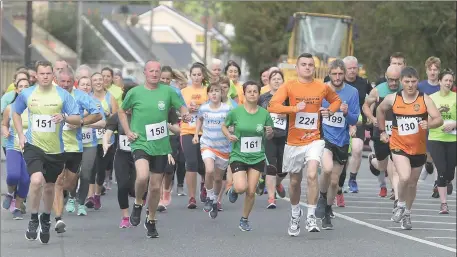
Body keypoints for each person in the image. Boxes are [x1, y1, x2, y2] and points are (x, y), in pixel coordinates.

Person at [268, 53, 342, 235]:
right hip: (294, 141)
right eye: (304, 64)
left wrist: (330, 111)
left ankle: (310, 216)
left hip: (314, 139)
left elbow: (336, 100)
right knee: (294, 182)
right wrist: (293, 108)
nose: (307, 67)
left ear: (314, 68)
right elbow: (272, 105)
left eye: (310, 65)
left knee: (311, 175)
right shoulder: (289, 85)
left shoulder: (321, 87)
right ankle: (295, 214)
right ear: (297, 68)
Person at [119, 60, 190, 238]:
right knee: (142, 176)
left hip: (160, 144)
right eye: (151, 71)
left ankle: (150, 219)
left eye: (157, 71)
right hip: (140, 142)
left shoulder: (168, 91)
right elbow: (122, 111)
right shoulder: (135, 93)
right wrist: (128, 131)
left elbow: (181, 105)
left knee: (156, 188)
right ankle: (137, 203)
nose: (155, 74)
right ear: (145, 73)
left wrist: (185, 113)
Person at [13, 61, 81, 244]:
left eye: (48, 73)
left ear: (53, 75)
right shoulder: (28, 93)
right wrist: (20, 135)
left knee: (50, 187)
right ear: (36, 75)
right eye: (41, 73)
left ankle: (45, 217)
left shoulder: (62, 95)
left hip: (55, 150)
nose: (45, 76)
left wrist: (65, 117)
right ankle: (34, 218)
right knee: (36, 180)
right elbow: (15, 112)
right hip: (33, 146)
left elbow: (78, 118)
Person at [376, 66, 443, 230]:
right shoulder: (393, 99)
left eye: (414, 81)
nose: (411, 85)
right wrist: (382, 131)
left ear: (418, 81)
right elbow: (379, 110)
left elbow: (438, 119)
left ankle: (407, 213)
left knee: (412, 184)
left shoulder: (424, 99)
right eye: (407, 82)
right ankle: (399, 204)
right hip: (398, 145)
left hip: (418, 149)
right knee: (404, 177)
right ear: (401, 82)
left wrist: (429, 124)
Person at [52, 69, 103, 233]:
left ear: (73, 81)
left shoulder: (80, 96)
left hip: (75, 146)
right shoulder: (51, 95)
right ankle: (58, 219)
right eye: (62, 81)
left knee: (70, 183)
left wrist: (81, 122)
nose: (65, 85)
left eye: (68, 82)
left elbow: (98, 115)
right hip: (55, 145)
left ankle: (68, 195)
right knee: (58, 181)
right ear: (57, 80)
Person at [223, 81, 274, 231]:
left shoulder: (264, 114)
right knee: (241, 187)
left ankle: (244, 219)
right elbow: (224, 126)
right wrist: (228, 135)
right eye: (249, 91)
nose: (252, 94)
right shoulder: (236, 112)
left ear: (259, 94)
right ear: (244, 94)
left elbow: (269, 135)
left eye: (255, 91)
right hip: (239, 155)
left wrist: (270, 133)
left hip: (257, 156)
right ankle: (233, 190)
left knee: (251, 191)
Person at [315, 59, 360, 230]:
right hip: (324, 137)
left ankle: (327, 209)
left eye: (340, 74)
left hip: (342, 140)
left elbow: (354, 119)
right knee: (326, 169)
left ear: (345, 74)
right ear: (329, 74)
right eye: (334, 74)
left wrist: (347, 113)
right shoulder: (322, 89)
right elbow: (313, 112)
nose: (338, 77)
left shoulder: (352, 92)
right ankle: (321, 197)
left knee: (335, 181)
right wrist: (321, 112)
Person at [193, 82, 233, 218]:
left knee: (218, 178)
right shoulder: (204, 108)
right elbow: (199, 119)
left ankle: (215, 200)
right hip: (207, 144)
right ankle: (209, 196)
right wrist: (195, 134)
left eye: (217, 91)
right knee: (209, 170)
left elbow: (233, 124)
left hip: (223, 147)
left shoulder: (227, 109)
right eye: (212, 91)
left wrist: (231, 131)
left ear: (222, 94)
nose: (214, 93)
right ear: (208, 94)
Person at [363, 65, 402, 201]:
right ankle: (372, 160)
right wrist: (372, 118)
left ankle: (396, 195)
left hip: (398, 134)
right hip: (380, 132)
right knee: (382, 165)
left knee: (395, 163)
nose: (393, 83)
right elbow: (365, 105)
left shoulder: (404, 89)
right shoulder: (378, 90)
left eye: (396, 80)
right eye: (391, 80)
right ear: (386, 78)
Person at [257, 70, 288, 208]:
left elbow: (296, 114)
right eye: (273, 79)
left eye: (279, 79)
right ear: (269, 82)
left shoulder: (288, 98)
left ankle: (277, 183)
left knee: (283, 169)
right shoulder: (263, 98)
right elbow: (255, 114)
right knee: (271, 167)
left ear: (283, 81)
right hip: (268, 137)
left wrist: (286, 115)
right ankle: (271, 198)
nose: (276, 81)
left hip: (285, 136)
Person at [1, 78, 31, 219]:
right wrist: (5, 130)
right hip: (13, 146)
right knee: (13, 175)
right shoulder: (10, 107)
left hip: (31, 148)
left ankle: (17, 207)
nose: (24, 88)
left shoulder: (35, 108)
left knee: (25, 180)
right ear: (17, 90)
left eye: (27, 86)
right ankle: (11, 193)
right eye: (21, 86)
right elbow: (4, 123)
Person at [427, 69, 456, 214]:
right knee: (442, 170)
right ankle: (444, 203)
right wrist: (436, 124)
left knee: (450, 172)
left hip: (453, 139)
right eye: (446, 80)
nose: (449, 83)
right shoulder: (431, 98)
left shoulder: (455, 97)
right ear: (440, 81)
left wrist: (454, 125)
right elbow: (426, 120)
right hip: (436, 138)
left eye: (451, 81)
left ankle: (448, 180)